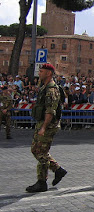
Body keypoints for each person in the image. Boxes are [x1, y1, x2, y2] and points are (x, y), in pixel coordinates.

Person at [26, 63, 67, 193]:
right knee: (39, 150)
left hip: (48, 125)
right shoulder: (45, 87)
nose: (39, 73)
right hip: (43, 123)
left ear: (49, 73)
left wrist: (43, 127)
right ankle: (47, 178)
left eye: (42, 71)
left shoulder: (51, 90)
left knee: (38, 152)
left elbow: (50, 111)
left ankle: (50, 175)